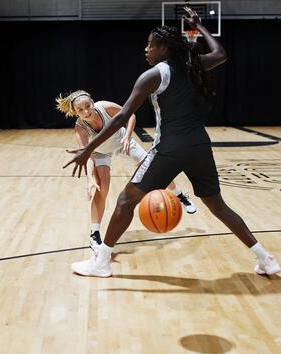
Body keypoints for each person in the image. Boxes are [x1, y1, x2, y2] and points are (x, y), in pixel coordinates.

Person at [63, 6, 281, 278]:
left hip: (170, 148)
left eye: (150, 45)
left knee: (125, 201)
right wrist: (199, 26)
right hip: (199, 145)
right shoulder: (192, 66)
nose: (146, 49)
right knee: (218, 205)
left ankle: (101, 261)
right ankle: (266, 258)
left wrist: (88, 149)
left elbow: (121, 119)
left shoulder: (153, 75)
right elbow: (221, 54)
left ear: (163, 47)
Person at [56, 90, 197, 250]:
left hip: (122, 141)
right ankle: (94, 235)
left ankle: (179, 196)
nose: (86, 111)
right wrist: (90, 180)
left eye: (87, 106)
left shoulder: (105, 107)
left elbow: (131, 115)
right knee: (101, 189)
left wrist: (128, 136)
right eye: (80, 110)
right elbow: (86, 155)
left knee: (153, 168)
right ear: (75, 112)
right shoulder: (80, 128)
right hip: (100, 151)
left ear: (93, 102)